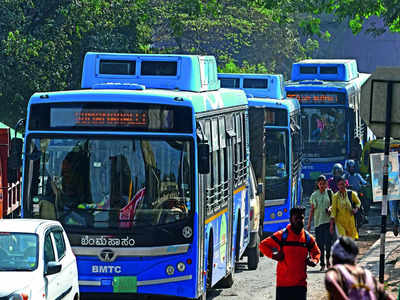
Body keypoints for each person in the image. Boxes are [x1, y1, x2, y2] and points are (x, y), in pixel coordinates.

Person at [259, 207, 321, 300]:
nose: (300, 221)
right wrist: (274, 256)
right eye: (297, 218)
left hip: (300, 286)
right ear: (290, 220)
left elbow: (316, 252)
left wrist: (314, 260)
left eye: (302, 218)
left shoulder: (308, 238)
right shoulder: (282, 235)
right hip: (283, 285)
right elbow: (263, 245)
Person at [325, 236, 394, 300]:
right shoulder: (367, 274)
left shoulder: (338, 270)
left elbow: (330, 279)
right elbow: (388, 296)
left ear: (335, 257)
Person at [307, 175, 334, 271]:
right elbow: (312, 210)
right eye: (320, 184)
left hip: (328, 222)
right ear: (317, 184)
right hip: (318, 223)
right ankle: (322, 263)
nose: (322, 185)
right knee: (320, 245)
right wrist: (309, 223)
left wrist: (330, 209)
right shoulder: (314, 195)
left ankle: (328, 262)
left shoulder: (330, 193)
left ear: (326, 184)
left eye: (324, 183)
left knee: (328, 243)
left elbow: (333, 206)